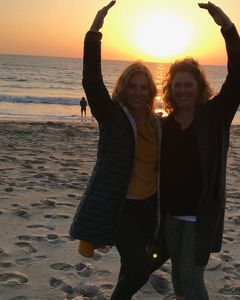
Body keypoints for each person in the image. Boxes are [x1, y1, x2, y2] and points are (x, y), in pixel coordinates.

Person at [69, 1, 162, 299]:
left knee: (130, 267)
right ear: (123, 88)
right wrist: (94, 32)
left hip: (151, 207)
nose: (138, 92)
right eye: (132, 86)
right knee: (138, 270)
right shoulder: (112, 117)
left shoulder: (157, 124)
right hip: (123, 210)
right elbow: (91, 81)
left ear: (150, 91)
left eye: (143, 87)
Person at [160, 2, 240, 299]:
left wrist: (228, 28)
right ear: (169, 89)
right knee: (177, 276)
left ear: (199, 87)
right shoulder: (166, 124)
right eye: (177, 85)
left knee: (190, 274)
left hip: (201, 215)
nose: (182, 90)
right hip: (171, 215)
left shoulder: (214, 116)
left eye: (188, 84)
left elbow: (238, 77)